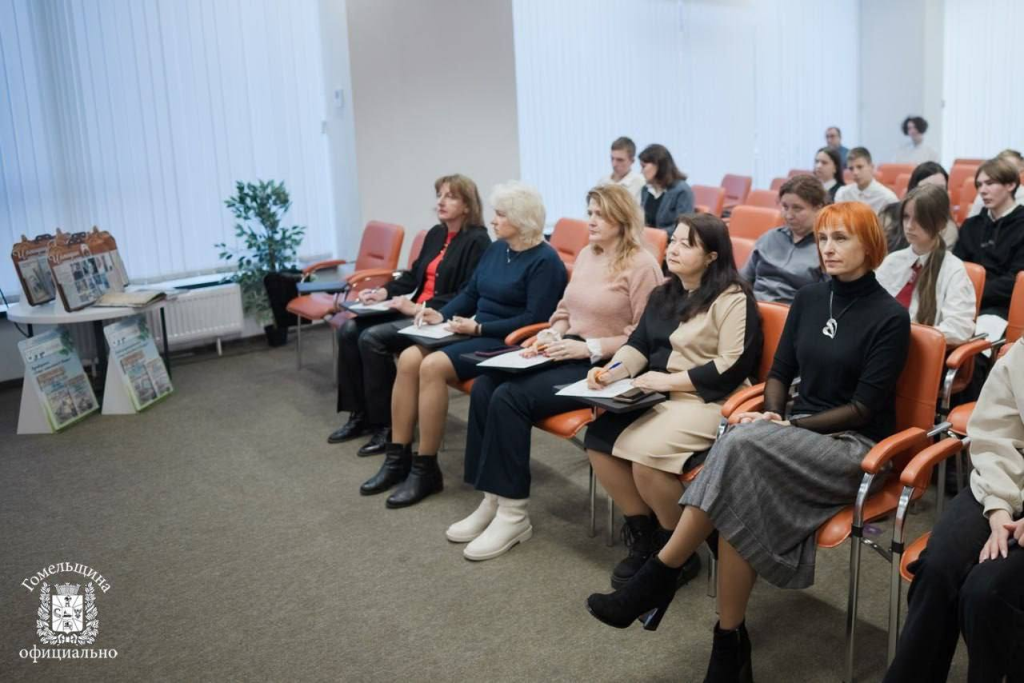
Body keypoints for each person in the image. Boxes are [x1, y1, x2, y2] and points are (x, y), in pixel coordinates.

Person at [586, 202, 910, 683]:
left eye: (841, 238)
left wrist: (789, 428)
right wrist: (775, 413)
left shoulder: (890, 317)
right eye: (823, 238)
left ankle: (661, 574)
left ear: (871, 245)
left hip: (853, 448)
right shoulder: (809, 298)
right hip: (790, 434)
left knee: (739, 444)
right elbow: (779, 372)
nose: (828, 248)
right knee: (741, 488)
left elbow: (864, 408)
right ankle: (728, 640)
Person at [447, 183, 662, 561]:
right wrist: (552, 333)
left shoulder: (642, 265)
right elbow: (564, 311)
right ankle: (492, 499)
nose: (590, 221)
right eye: (589, 212)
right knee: (485, 385)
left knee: (510, 398)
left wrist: (588, 347)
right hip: (567, 350)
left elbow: (644, 336)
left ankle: (513, 516)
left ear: (622, 219)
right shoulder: (588, 254)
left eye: (600, 215)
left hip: (605, 365)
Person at [359, 182, 567, 508]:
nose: (493, 220)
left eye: (501, 215)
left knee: (432, 366)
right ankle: (397, 457)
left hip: (505, 340)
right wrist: (440, 314)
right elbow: (471, 292)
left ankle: (426, 468)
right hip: (474, 330)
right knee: (410, 358)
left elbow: (534, 319)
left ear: (522, 219)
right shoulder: (497, 249)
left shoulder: (545, 261)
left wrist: (480, 327)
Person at [583, 213, 762, 593]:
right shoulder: (664, 294)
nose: (674, 249)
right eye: (674, 241)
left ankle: (675, 550)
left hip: (711, 398)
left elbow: (731, 364)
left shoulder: (733, 298)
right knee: (598, 438)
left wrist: (668, 381)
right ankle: (643, 533)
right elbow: (638, 345)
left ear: (712, 256)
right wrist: (610, 372)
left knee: (647, 458)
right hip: (659, 393)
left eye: (687, 244)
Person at [884, 339, 1024, 683]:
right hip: (1004, 479)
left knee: (986, 592)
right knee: (937, 569)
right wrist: (998, 507)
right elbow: (995, 434)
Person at [328, 175, 492, 454]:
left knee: (371, 338)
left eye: (450, 196)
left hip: (438, 318)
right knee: (349, 330)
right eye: (439, 195)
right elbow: (413, 275)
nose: (441, 202)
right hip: (413, 310)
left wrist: (419, 308)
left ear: (467, 205)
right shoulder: (436, 234)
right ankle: (360, 415)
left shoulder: (478, 241)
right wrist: (383, 292)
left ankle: (388, 426)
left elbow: (467, 294)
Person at [876, 184, 976, 346]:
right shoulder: (892, 261)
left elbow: (959, 329)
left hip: (919, 350)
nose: (909, 226)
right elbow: (870, 306)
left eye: (919, 219)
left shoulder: (953, 270)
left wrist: (906, 333)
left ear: (940, 224)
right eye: (906, 217)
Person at [954, 157, 1024, 318]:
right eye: (979, 185)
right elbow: (955, 267)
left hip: (1003, 308)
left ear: (1011, 185)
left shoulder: (1021, 226)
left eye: (990, 183)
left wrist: (973, 293)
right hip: (962, 302)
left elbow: (1015, 281)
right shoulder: (971, 225)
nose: (982, 191)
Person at [741, 174, 827, 303]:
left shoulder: (827, 247)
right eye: (785, 207)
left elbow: (825, 298)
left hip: (793, 310)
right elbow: (744, 279)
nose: (788, 215)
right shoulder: (769, 238)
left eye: (797, 208)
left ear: (818, 208)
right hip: (754, 305)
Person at [878, 162, 958, 252]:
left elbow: (936, 258)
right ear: (914, 189)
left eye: (941, 188)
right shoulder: (889, 214)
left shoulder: (947, 228)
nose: (935, 194)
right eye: (927, 188)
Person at [638, 144, 694, 234]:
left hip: (670, 240)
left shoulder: (682, 191)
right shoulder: (646, 190)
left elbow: (684, 226)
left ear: (658, 165)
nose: (641, 171)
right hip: (648, 238)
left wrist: (657, 235)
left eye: (643, 166)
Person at [835, 147, 898, 214]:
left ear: (871, 167)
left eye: (860, 167)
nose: (855, 172)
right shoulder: (842, 194)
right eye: (851, 169)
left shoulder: (888, 199)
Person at [968, 149, 1024, 218]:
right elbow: (973, 218)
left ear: (1021, 169)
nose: (1004, 170)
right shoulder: (984, 193)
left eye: (1010, 167)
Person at [597, 137, 645, 204]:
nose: (614, 164)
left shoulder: (640, 182)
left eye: (620, 160)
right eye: (612, 159)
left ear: (632, 161)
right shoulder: (603, 182)